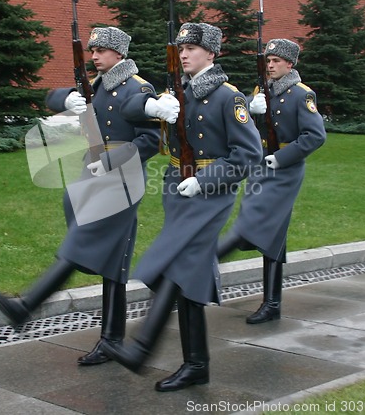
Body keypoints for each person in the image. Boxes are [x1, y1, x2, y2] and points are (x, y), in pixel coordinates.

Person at [0, 26, 179, 366]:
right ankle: (111, 339)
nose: (94, 56)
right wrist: (65, 100)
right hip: (90, 176)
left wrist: (109, 161)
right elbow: (50, 96)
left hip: (120, 181)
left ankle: (25, 307)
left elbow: (152, 142)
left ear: (118, 53)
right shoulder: (99, 87)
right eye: (92, 51)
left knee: (80, 243)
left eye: (101, 51)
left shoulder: (139, 89)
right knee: (113, 263)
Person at [102, 23, 263, 391]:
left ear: (211, 53)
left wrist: (204, 180)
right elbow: (127, 109)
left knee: (168, 265)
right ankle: (196, 365)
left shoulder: (228, 97)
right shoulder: (177, 93)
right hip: (177, 190)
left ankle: (142, 349)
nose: (184, 53)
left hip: (209, 194)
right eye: (181, 47)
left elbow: (249, 156)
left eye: (192, 47)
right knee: (189, 273)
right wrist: (152, 104)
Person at [217, 38, 326, 324]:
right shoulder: (262, 92)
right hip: (260, 167)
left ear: (289, 64)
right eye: (268, 60)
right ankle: (272, 303)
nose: (270, 65)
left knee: (261, 227)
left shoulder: (302, 95)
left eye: (276, 61)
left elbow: (315, 136)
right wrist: (253, 112)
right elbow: (251, 131)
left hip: (285, 171)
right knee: (271, 233)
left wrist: (281, 158)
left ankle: (271, 302)